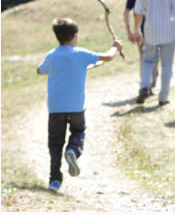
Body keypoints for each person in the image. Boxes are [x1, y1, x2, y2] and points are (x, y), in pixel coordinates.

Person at [37, 18, 123, 193]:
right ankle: (73, 151)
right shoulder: (80, 53)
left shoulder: (52, 55)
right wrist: (116, 46)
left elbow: (40, 70)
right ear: (75, 36)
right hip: (76, 107)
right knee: (78, 131)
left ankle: (54, 181)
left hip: (55, 108)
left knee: (55, 143)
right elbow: (107, 57)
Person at [123, 0, 159, 94]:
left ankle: (146, 86)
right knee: (154, 59)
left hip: (140, 32)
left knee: (144, 59)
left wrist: (129, 30)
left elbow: (126, 12)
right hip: (155, 31)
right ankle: (150, 85)